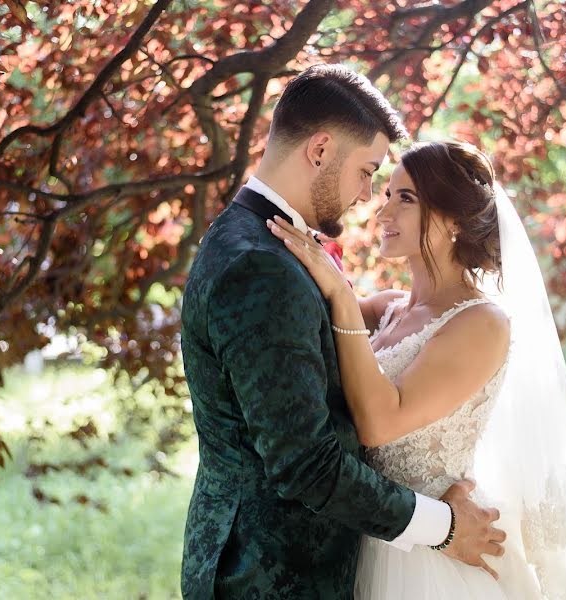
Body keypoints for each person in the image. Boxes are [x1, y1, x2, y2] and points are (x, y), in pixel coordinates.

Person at [179, 65, 505, 599]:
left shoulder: (255, 241)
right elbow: (307, 463)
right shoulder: (261, 265)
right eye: (367, 171)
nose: (367, 196)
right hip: (270, 575)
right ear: (321, 150)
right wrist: (444, 528)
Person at [268, 139, 566, 598]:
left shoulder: (482, 323)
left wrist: (343, 299)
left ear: (453, 221)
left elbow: (379, 423)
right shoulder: (388, 309)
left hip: (437, 555)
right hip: (367, 530)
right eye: (386, 195)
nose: (382, 212)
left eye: (405, 199)